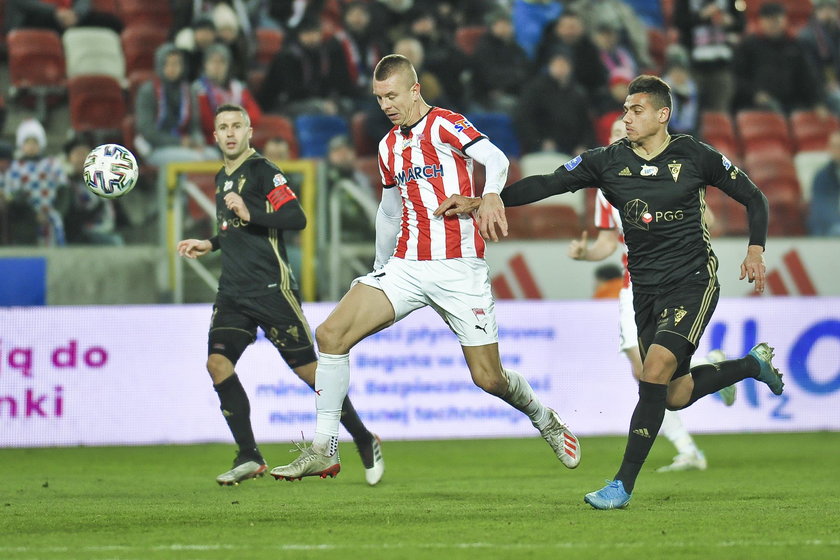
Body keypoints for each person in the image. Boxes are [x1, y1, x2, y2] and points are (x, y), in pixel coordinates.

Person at [436, 75, 785, 509]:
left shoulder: (696, 155)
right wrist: (481, 200)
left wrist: (755, 249)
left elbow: (755, 199)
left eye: (636, 110)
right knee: (673, 394)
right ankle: (751, 365)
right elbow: (547, 183)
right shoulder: (607, 161)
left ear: (663, 115)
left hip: (693, 279)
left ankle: (622, 485)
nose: (627, 117)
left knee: (653, 371)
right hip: (645, 288)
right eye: (625, 110)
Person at [269, 54, 580, 481]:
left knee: (489, 378)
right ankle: (325, 447)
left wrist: (490, 195)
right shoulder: (387, 147)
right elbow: (390, 210)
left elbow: (498, 160)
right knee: (330, 334)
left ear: (415, 90)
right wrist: (380, 267)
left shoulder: (447, 124)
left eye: (392, 96)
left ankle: (542, 415)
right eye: (379, 98)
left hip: (458, 268)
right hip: (407, 266)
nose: (385, 105)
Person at [176, 103, 384, 486]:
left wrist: (253, 215)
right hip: (232, 293)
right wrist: (210, 243)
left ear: (250, 131)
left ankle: (363, 437)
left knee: (313, 374)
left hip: (273, 290)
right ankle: (249, 455)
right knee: (217, 365)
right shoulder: (224, 177)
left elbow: (296, 218)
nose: (230, 132)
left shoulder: (263, 171)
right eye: (223, 127)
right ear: (215, 136)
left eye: (237, 125)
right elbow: (234, 229)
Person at [571, 116, 736, 472]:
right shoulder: (607, 187)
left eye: (623, 132)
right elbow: (604, 245)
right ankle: (713, 377)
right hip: (634, 290)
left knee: (649, 375)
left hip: (674, 283)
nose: (619, 139)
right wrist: (585, 254)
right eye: (613, 135)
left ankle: (685, 448)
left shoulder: (669, 176)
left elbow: (708, 221)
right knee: (654, 379)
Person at [4, 118, 68, 246]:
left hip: (51, 219)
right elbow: (13, 196)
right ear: (21, 144)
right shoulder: (14, 168)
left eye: (35, 142)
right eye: (28, 142)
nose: (31, 146)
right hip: (25, 223)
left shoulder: (53, 164)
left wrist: (56, 212)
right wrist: (33, 215)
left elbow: (64, 191)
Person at [808, 129, 840, 236]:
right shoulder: (822, 176)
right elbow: (822, 207)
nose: (838, 150)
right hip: (828, 226)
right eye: (835, 146)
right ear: (829, 149)